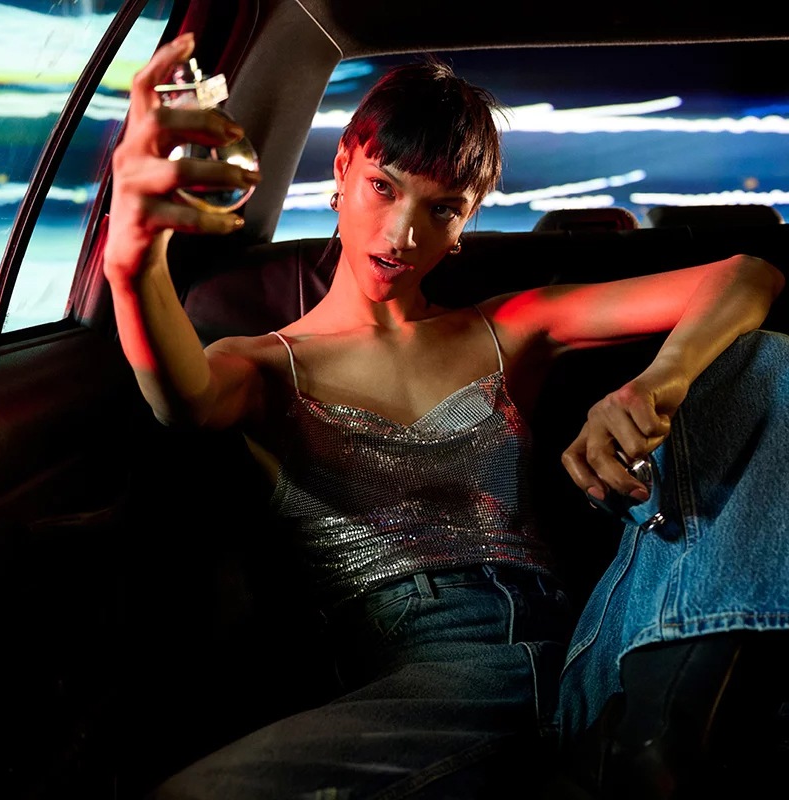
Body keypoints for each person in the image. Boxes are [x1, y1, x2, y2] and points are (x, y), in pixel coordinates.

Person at [104, 32, 788, 799]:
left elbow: (746, 275)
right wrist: (133, 262)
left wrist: (656, 384)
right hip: (425, 687)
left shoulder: (507, 328)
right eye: (383, 187)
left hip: (594, 648)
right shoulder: (265, 365)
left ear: (466, 223)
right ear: (342, 169)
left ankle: (660, 735)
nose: (404, 234)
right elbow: (182, 399)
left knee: (761, 360)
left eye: (442, 209)